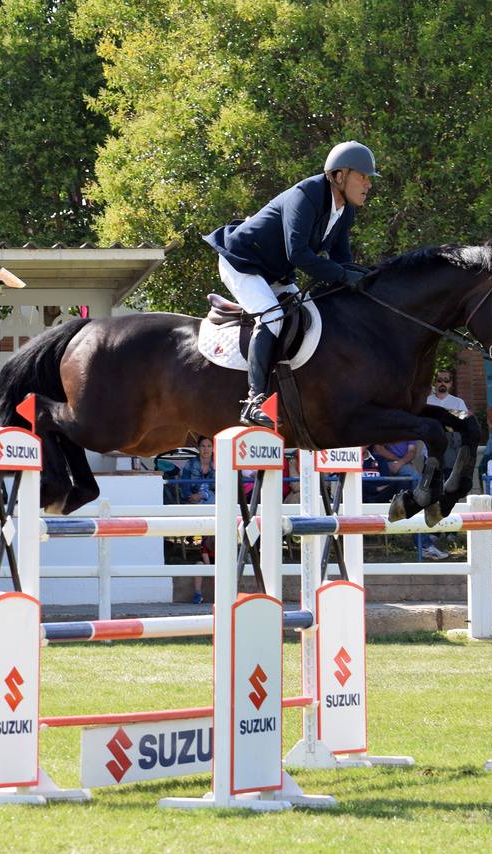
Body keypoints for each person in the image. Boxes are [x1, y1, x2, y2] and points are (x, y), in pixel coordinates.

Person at [205, 141, 377, 428]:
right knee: (272, 317)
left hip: (276, 274)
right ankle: (253, 401)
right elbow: (297, 253)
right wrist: (343, 275)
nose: (368, 184)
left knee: (311, 319)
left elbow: (341, 259)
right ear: (339, 176)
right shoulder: (306, 195)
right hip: (242, 263)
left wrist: (365, 280)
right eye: (363, 176)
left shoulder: (344, 210)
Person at [180, 436, 218, 603]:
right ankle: (206, 542)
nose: (206, 449)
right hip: (192, 499)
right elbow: (184, 485)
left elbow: (220, 485)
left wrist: (202, 494)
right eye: (203, 446)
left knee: (215, 500)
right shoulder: (190, 464)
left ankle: (209, 540)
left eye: (209, 446)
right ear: (198, 448)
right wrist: (191, 496)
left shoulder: (218, 463)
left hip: (211, 498)